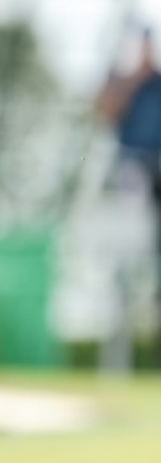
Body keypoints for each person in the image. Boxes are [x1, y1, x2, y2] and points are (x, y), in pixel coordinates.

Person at [95, 27, 161, 366]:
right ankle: (117, 354)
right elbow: (103, 114)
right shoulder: (122, 81)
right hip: (131, 171)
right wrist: (132, 78)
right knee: (124, 259)